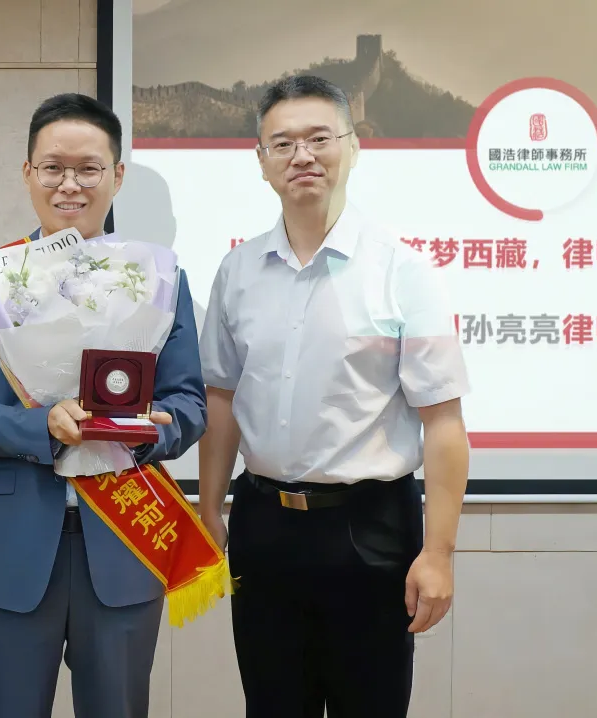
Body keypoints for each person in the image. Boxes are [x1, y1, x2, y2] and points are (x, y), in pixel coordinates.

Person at [197, 76, 471, 718]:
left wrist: (438, 553)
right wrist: (209, 508)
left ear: (353, 147)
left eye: (320, 138)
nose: (303, 156)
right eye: (283, 143)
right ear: (261, 160)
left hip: (369, 528)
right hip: (263, 524)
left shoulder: (402, 270)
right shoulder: (237, 271)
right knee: (271, 705)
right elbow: (221, 399)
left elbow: (443, 421)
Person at [0, 93, 207, 718]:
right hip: (12, 547)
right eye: (53, 168)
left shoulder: (161, 279)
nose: (70, 184)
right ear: (28, 173)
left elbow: (189, 402)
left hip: (123, 543)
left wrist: (156, 430)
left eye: (88, 168)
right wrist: (43, 425)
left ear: (117, 175)